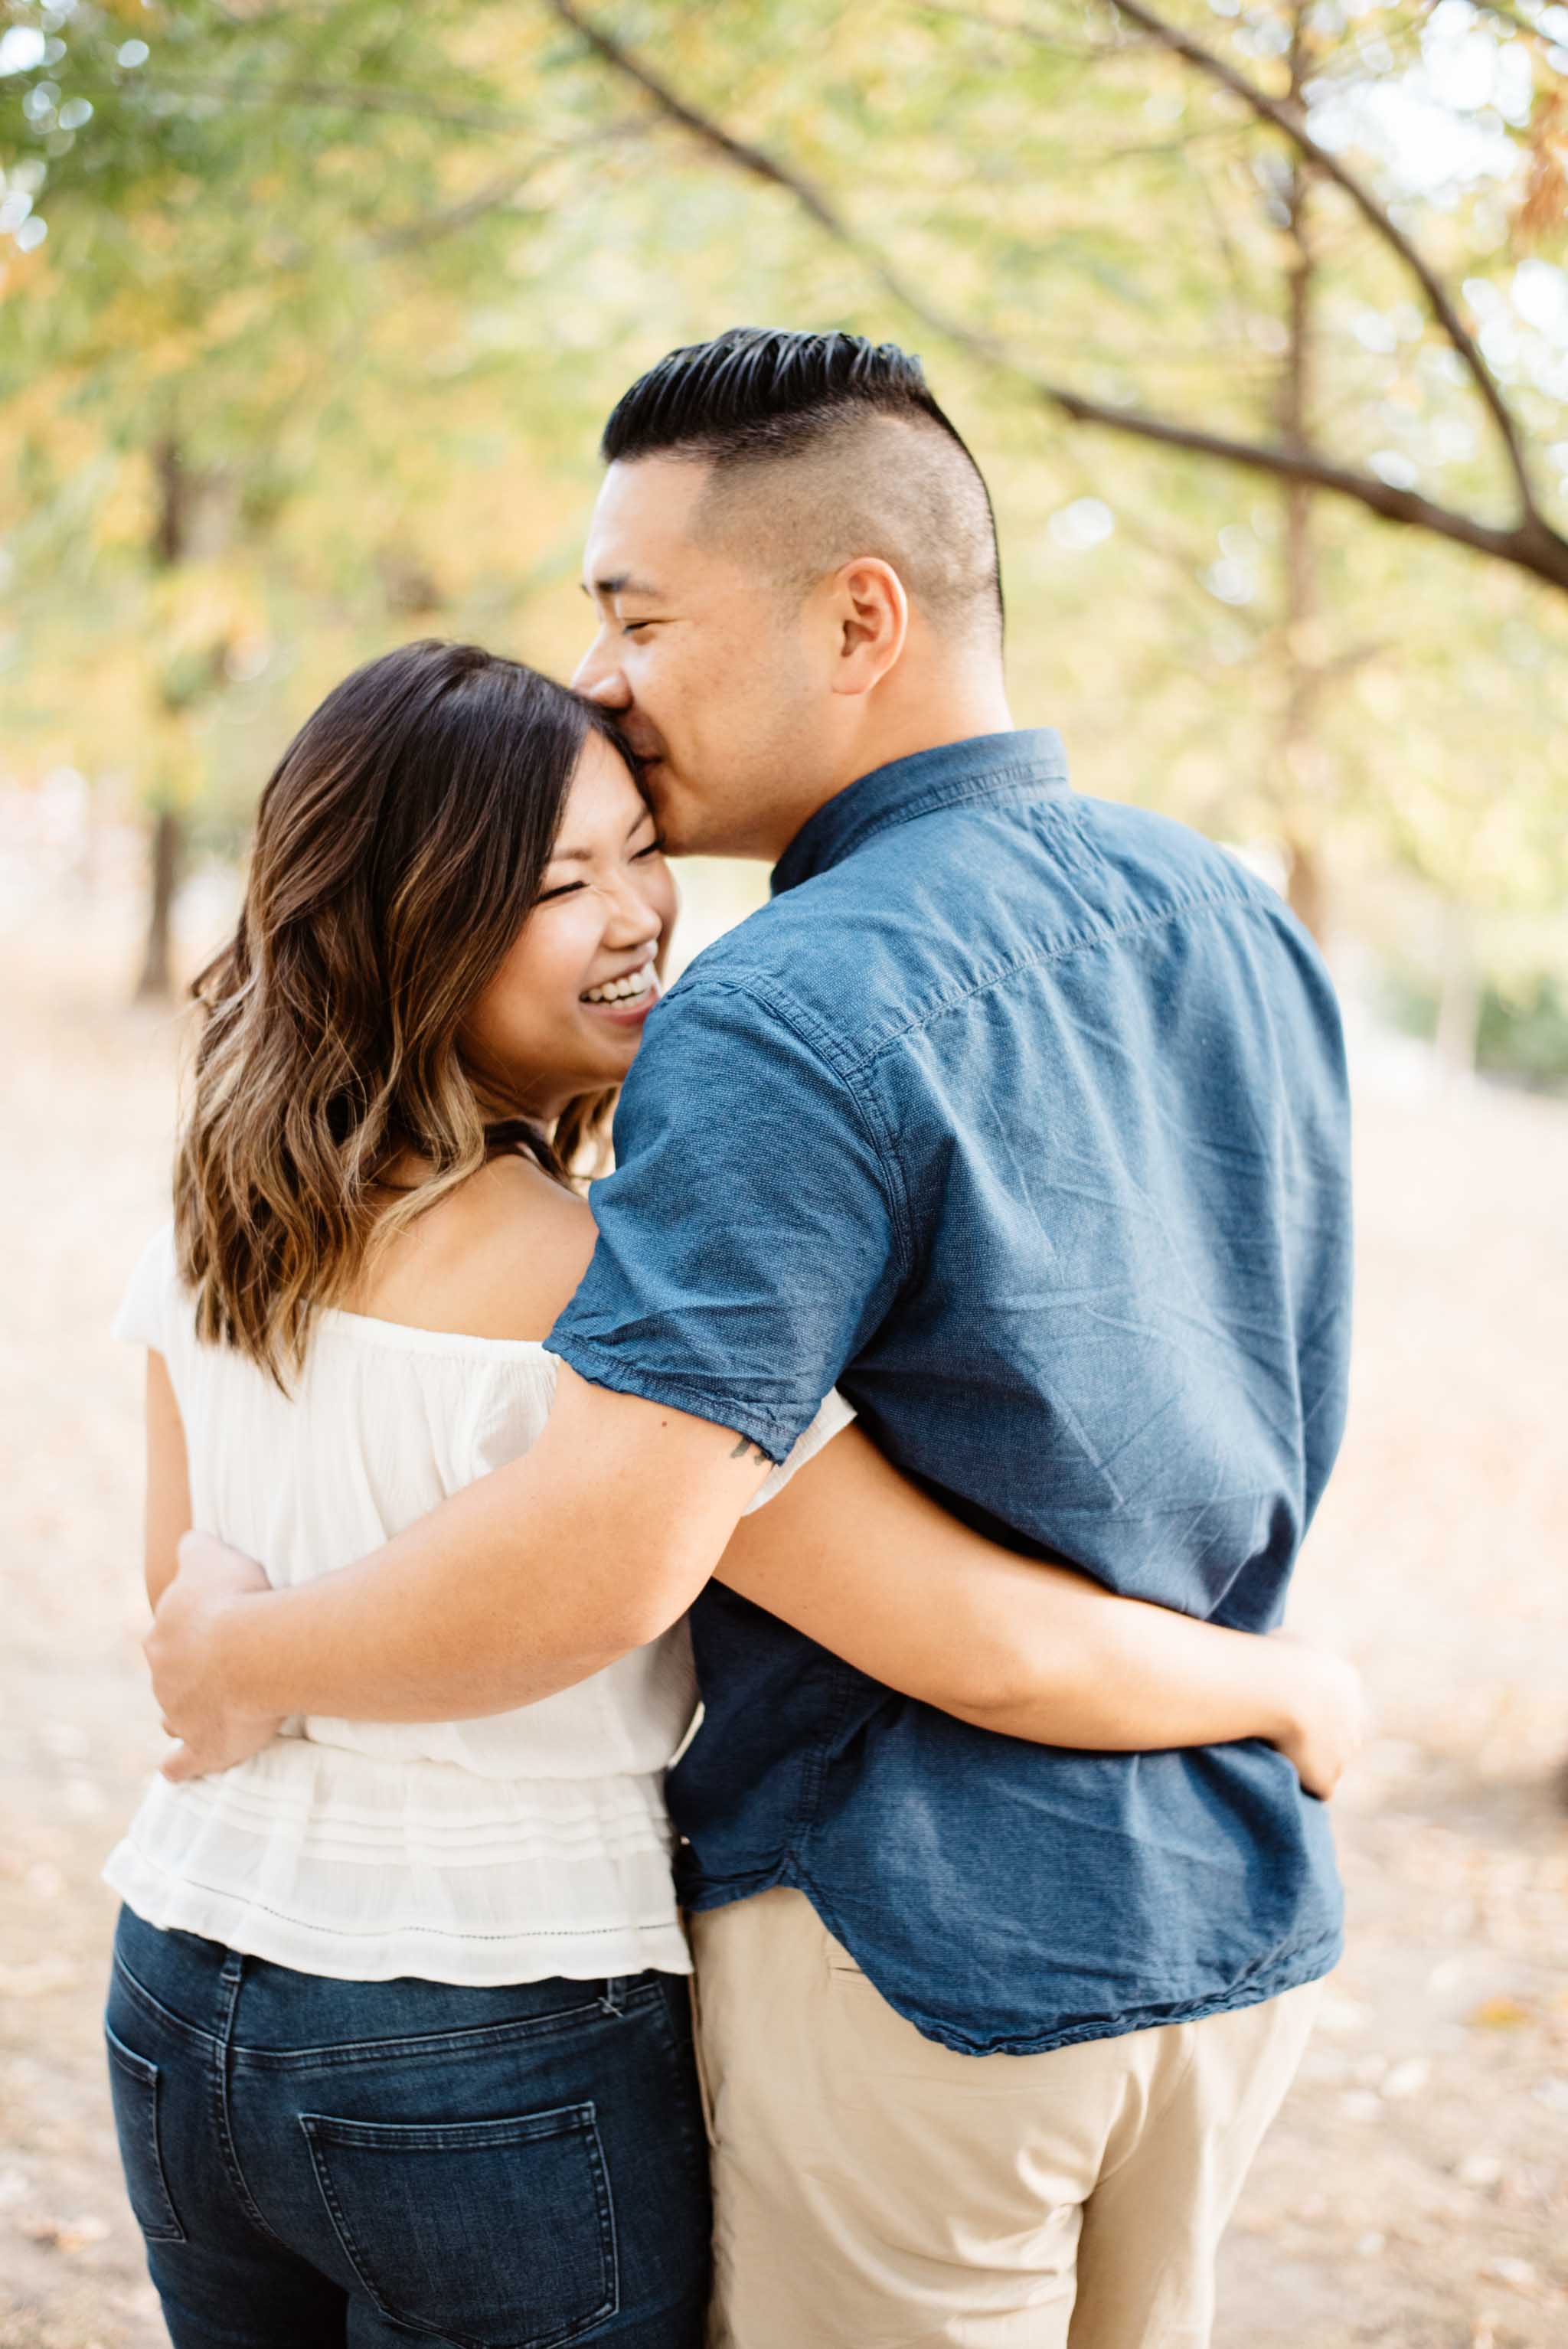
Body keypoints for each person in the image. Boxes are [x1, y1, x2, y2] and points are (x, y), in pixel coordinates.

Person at [145, 330, 1358, 2348]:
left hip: (916, 1958)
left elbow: (607, 1551)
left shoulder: (789, 1004)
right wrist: (1276, 1680)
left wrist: (231, 1653)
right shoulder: (1239, 922)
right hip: (1233, 1929)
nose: (602, 675)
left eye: (637, 614)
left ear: (859, 614)